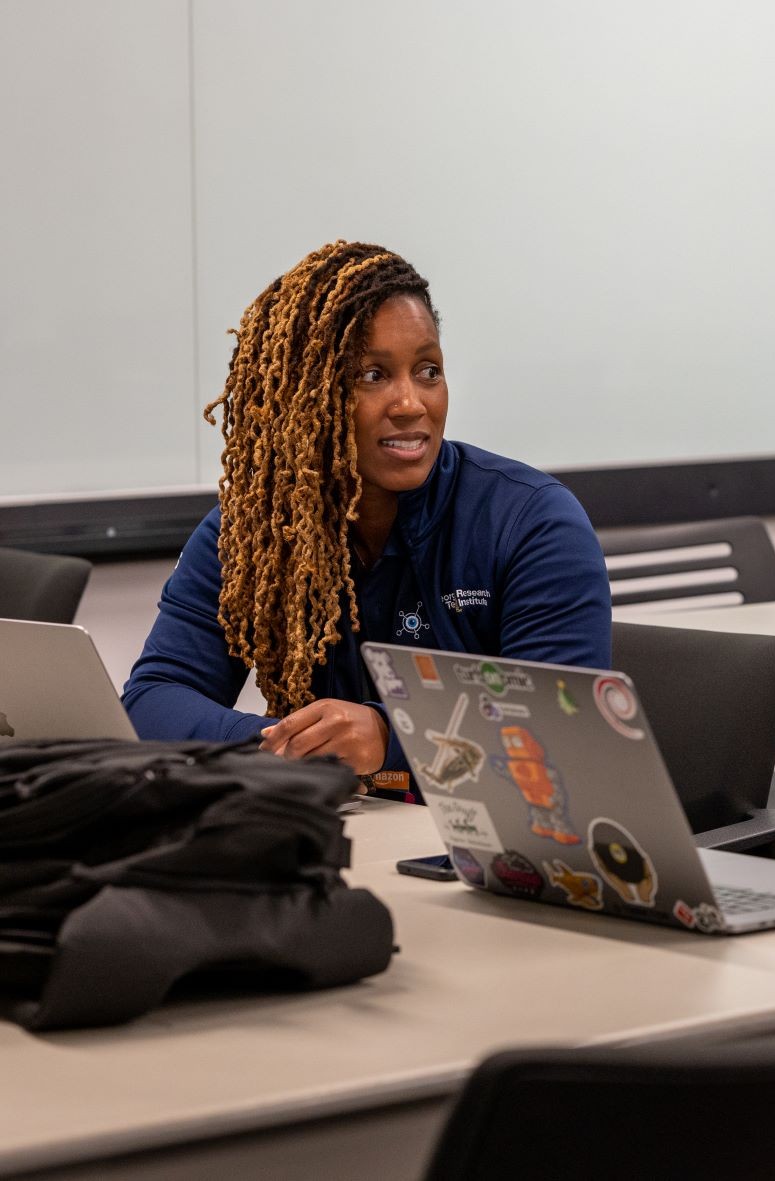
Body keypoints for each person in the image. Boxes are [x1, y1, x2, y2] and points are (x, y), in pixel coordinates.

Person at [124, 242, 611, 796]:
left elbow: (563, 727)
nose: (410, 403)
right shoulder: (252, 532)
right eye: (371, 375)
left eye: (428, 370)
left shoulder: (532, 522)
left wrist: (389, 733)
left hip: (490, 852)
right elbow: (150, 701)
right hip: (331, 837)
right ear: (302, 397)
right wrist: (288, 745)